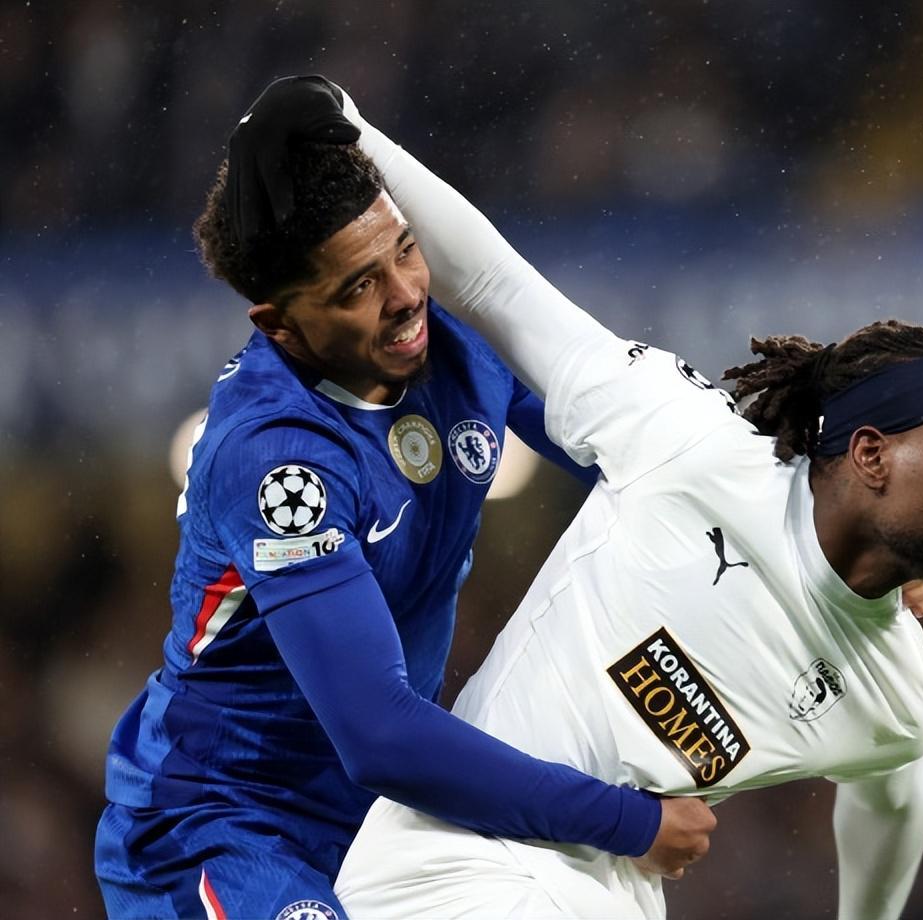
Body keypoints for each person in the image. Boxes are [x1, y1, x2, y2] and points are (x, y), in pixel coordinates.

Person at [326, 80, 923, 920]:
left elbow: (893, 800)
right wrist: (346, 126)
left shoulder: (899, 700)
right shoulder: (692, 439)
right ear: (872, 454)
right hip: (448, 874)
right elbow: (496, 288)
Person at [93, 77, 714, 920]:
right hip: (228, 826)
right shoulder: (278, 460)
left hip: (382, 823)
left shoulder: (455, 350)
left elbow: (636, 461)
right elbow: (379, 733)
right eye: (357, 287)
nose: (406, 295)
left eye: (406, 251)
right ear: (278, 324)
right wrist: (625, 822)